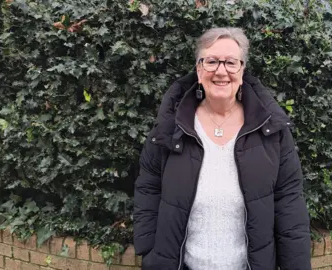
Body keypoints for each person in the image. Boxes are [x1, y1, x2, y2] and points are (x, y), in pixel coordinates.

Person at [133, 27, 312, 270]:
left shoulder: (271, 131)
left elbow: (289, 202)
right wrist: (149, 250)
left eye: (230, 62)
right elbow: (148, 189)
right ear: (198, 69)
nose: (221, 71)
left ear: (242, 70)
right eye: (212, 61)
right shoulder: (169, 128)